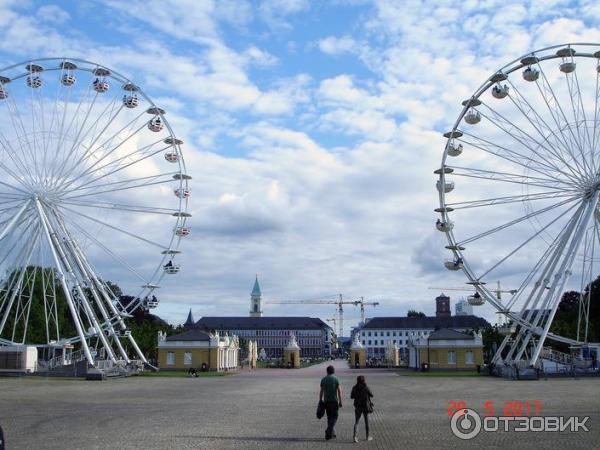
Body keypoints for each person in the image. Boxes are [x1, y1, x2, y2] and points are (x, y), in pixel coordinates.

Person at [319, 365, 342, 440]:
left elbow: (321, 391)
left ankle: (331, 434)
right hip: (334, 401)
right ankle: (328, 430)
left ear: (327, 371)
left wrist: (320, 400)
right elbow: (339, 391)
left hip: (326, 401)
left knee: (329, 417)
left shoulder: (324, 379)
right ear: (333, 371)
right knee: (335, 417)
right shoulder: (336, 379)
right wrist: (340, 401)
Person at [350, 375, 374, 442]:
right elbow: (372, 395)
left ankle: (355, 437)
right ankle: (367, 436)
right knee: (366, 422)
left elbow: (351, 397)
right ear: (364, 380)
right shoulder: (366, 387)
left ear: (357, 380)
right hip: (365, 406)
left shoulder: (354, 388)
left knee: (356, 422)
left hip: (357, 406)